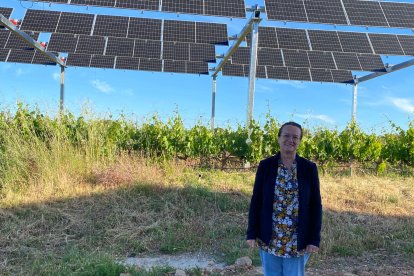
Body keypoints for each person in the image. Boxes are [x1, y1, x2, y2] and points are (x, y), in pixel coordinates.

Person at [246, 121, 322, 276]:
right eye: (286, 135)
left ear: (300, 141)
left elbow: (316, 205)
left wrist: (314, 239)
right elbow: (256, 201)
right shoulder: (265, 166)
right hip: (270, 237)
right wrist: (251, 233)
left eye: (295, 137)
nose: (290, 140)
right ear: (279, 138)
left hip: (297, 240)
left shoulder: (309, 168)